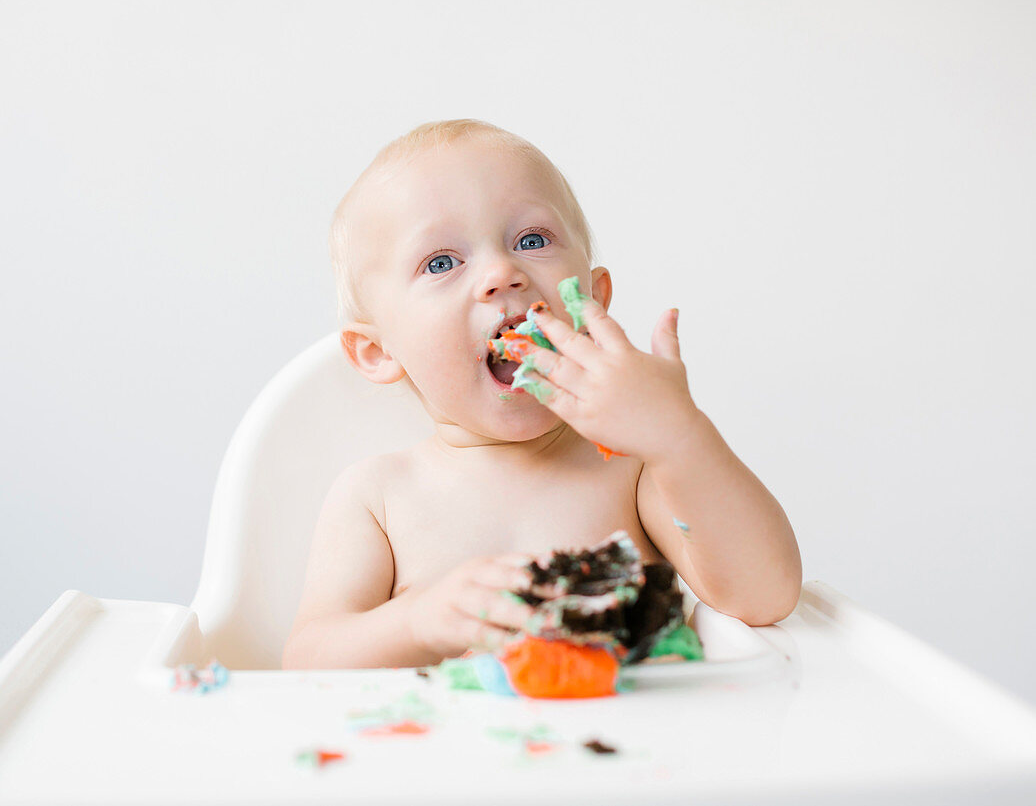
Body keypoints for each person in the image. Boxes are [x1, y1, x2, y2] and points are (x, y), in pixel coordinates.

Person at [281, 119, 800, 670]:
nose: (503, 274)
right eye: (441, 263)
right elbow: (308, 661)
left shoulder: (632, 468)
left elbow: (763, 597)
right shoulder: (379, 496)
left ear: (595, 299)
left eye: (531, 241)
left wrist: (681, 437)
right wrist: (420, 620)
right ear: (378, 352)